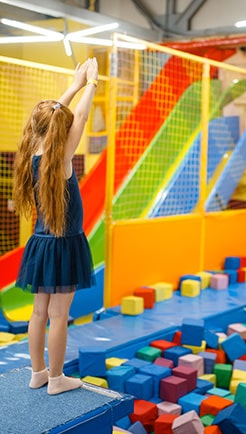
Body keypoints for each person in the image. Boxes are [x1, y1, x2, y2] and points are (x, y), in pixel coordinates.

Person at [12, 57, 99, 395]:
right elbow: (81, 116)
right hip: (65, 243)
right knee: (59, 315)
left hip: (40, 243)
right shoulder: (61, 157)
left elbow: (48, 121)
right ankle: (57, 379)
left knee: (38, 313)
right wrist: (91, 83)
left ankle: (38, 372)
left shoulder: (33, 150)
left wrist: (73, 86)